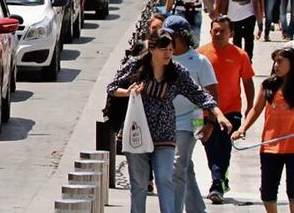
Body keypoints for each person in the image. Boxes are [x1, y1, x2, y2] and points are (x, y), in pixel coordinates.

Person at [108, 30, 230, 213]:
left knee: (166, 178)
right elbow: (112, 87)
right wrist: (128, 93)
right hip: (138, 131)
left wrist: (218, 114)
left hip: (164, 132)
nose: (168, 53)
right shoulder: (136, 66)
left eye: (171, 49)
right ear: (152, 49)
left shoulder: (177, 72)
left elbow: (199, 94)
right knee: (139, 184)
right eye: (163, 49)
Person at [163, 15, 218, 213]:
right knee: (185, 166)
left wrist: (210, 123)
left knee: (178, 166)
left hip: (191, 117)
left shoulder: (200, 61)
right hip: (164, 119)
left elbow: (212, 93)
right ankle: (197, 209)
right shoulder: (162, 57)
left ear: (182, 36)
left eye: (170, 36)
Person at [200, 16, 256, 203]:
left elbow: (247, 82)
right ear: (210, 31)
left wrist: (250, 107)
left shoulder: (240, 55)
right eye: (215, 30)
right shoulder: (201, 54)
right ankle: (220, 179)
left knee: (224, 147)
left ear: (231, 33)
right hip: (205, 111)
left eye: (222, 31)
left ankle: (217, 184)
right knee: (209, 147)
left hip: (231, 110)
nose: (218, 34)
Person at [232, 45, 294, 213]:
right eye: (275, 62)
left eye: (281, 62)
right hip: (270, 146)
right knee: (267, 191)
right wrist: (243, 128)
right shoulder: (268, 85)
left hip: (293, 147)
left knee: (293, 191)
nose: (276, 65)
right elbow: (256, 109)